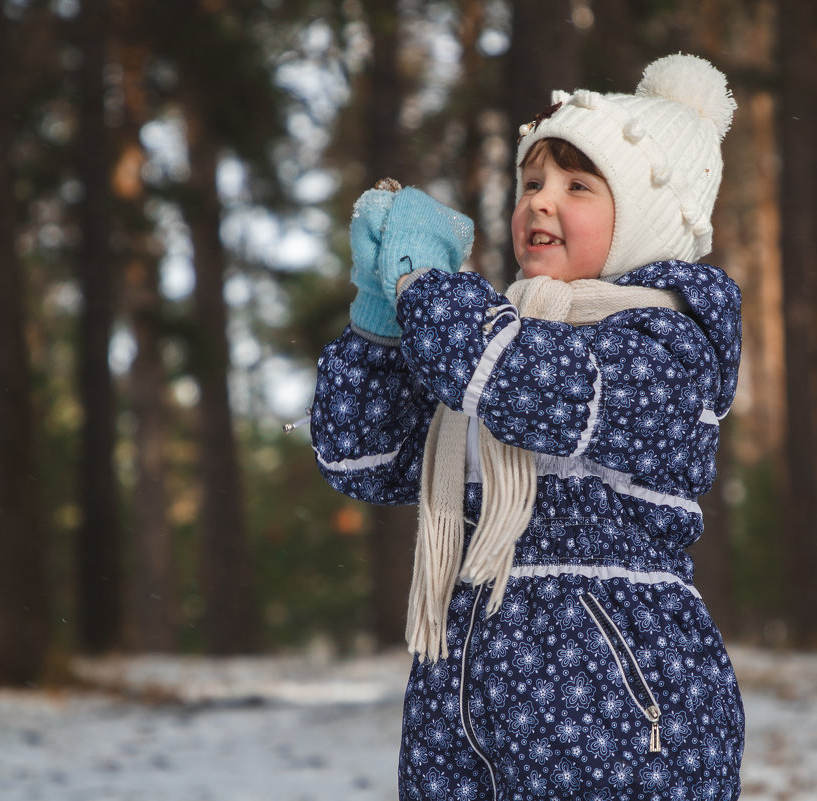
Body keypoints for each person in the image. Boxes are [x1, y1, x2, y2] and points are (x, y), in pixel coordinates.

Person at [311, 52, 745, 801]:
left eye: (578, 185)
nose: (541, 201)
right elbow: (362, 458)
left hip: (615, 709)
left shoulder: (669, 343)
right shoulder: (494, 340)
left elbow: (535, 382)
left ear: (642, 216)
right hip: (464, 690)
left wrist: (423, 283)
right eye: (532, 182)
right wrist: (381, 320)